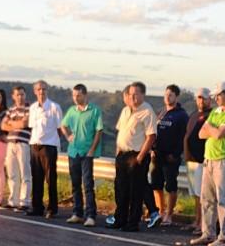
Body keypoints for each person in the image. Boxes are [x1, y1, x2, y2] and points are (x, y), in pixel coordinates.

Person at [190, 82, 225, 246]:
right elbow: (200, 133)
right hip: (209, 159)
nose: (217, 98)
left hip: (224, 160)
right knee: (207, 199)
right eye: (216, 95)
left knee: (224, 199)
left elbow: (220, 134)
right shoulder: (215, 111)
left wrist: (211, 129)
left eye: (219, 95)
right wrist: (212, 129)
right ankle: (208, 233)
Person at [109, 82, 157, 232]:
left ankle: (132, 222)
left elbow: (151, 136)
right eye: (130, 94)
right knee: (120, 189)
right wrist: (118, 152)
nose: (133, 97)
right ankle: (120, 219)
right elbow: (121, 132)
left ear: (143, 94)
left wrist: (140, 157)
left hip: (136, 155)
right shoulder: (125, 110)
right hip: (122, 154)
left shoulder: (147, 111)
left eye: (136, 94)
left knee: (135, 191)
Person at [60, 83, 103, 227]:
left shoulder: (95, 110)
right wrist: (68, 136)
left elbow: (99, 131)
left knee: (88, 184)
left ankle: (90, 215)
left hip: (87, 152)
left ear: (85, 95)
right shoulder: (72, 110)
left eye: (78, 95)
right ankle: (77, 213)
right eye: (73, 95)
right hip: (73, 151)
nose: (75, 98)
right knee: (75, 184)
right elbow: (63, 125)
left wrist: (92, 149)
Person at [150, 84, 189, 226]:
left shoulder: (181, 115)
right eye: (166, 94)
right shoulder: (162, 113)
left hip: (171, 157)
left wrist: (176, 153)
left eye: (170, 95)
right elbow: (154, 132)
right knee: (156, 184)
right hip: (157, 155)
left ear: (176, 97)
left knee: (171, 186)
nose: (167, 97)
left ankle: (169, 214)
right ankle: (160, 212)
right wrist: (152, 148)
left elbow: (183, 136)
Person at [27, 80, 63, 218]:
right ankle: (37, 207)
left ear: (47, 91)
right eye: (39, 89)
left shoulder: (55, 107)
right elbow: (32, 127)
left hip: (48, 147)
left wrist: (51, 141)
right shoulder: (33, 108)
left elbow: (60, 129)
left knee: (50, 178)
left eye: (44, 89)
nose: (41, 91)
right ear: (35, 91)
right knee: (36, 178)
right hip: (35, 145)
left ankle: (52, 208)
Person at [183, 87, 212, 234]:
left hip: (201, 160)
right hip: (191, 160)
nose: (201, 101)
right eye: (199, 98)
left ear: (210, 99)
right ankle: (196, 220)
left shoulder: (211, 115)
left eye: (204, 98)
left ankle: (202, 223)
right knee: (195, 193)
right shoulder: (194, 114)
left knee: (202, 194)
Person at [3, 86, 32, 212]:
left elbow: (24, 124)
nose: (20, 97)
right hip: (10, 143)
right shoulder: (11, 110)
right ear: (13, 96)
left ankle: (24, 201)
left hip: (23, 143)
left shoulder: (29, 109)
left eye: (22, 94)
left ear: (25, 95)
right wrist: (16, 124)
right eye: (17, 95)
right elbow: (3, 126)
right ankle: (12, 200)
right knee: (12, 173)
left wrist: (12, 124)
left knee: (25, 173)